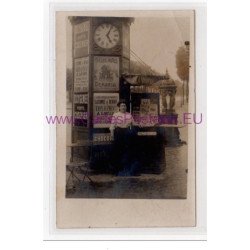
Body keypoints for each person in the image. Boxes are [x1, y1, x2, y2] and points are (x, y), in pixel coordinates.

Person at [109, 100, 140, 176]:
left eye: (125, 106)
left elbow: (134, 123)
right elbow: (112, 126)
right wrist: (112, 136)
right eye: (122, 106)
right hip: (118, 133)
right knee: (118, 152)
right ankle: (116, 171)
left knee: (127, 152)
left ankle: (128, 171)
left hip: (126, 133)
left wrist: (140, 124)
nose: (123, 107)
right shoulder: (115, 115)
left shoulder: (129, 115)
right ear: (119, 107)